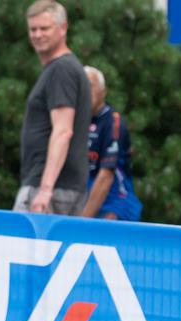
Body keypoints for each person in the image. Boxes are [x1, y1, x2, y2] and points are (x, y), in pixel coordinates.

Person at [14, 1, 92, 216]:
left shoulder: (62, 70)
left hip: (51, 190)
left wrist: (45, 189)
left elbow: (63, 131)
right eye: (33, 29)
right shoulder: (61, 69)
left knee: (22, 249)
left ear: (63, 28)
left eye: (44, 28)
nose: (37, 35)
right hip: (59, 188)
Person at [80, 66, 143, 221]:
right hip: (82, 199)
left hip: (115, 202)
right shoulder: (74, 120)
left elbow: (105, 177)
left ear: (103, 91)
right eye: (80, 86)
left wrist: (81, 222)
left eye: (90, 86)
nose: (85, 91)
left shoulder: (113, 122)